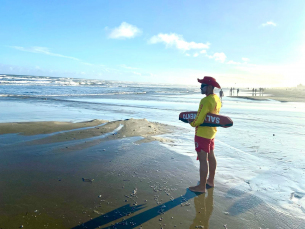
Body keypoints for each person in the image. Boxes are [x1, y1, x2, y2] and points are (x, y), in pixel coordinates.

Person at [188, 76, 222, 193]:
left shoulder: (205, 101)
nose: (200, 88)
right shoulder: (216, 99)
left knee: (203, 159)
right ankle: (210, 181)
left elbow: (200, 118)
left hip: (202, 134)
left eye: (202, 86)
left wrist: (192, 123)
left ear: (209, 87)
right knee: (211, 156)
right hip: (211, 132)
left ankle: (201, 187)